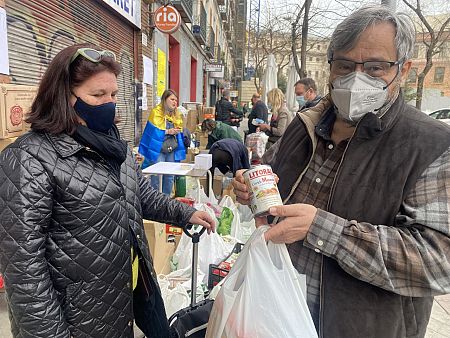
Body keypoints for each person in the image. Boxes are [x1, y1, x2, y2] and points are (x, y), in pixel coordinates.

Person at [232, 5, 450, 338]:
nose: (356, 77)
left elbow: (437, 262)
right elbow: (270, 187)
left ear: (403, 70)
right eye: (345, 65)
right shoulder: (304, 124)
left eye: (375, 67)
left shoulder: (431, 145)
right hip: (274, 314)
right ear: (331, 66)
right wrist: (252, 191)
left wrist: (325, 230)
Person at [0, 43, 215, 338]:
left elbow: (139, 194)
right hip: (76, 319)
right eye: (98, 95)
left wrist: (186, 213)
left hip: (121, 300)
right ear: (63, 96)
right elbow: (24, 268)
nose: (109, 104)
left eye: (113, 95)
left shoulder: (113, 144)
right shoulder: (29, 158)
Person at [139, 89, 186, 195]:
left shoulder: (176, 114)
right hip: (158, 148)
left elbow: (181, 130)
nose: (175, 102)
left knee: (170, 175)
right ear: (165, 100)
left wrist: (178, 130)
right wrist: (168, 131)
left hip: (172, 148)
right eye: (172, 99)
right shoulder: (156, 112)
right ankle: (156, 200)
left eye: (176, 100)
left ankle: (167, 200)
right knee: (157, 175)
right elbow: (152, 132)